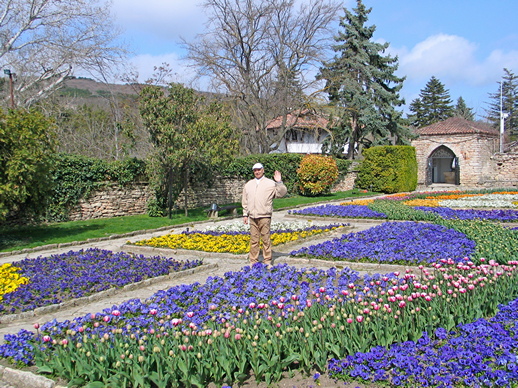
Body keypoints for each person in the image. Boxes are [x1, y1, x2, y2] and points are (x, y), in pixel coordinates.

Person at [242, 162, 287, 267]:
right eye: (255, 170)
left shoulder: (270, 183)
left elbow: (282, 193)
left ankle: (267, 260)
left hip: (264, 215)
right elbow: (245, 200)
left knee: (266, 239)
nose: (257, 172)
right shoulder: (249, 184)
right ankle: (253, 261)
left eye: (259, 169)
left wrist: (279, 182)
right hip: (252, 216)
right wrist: (245, 214)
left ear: (263, 170)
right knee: (254, 240)